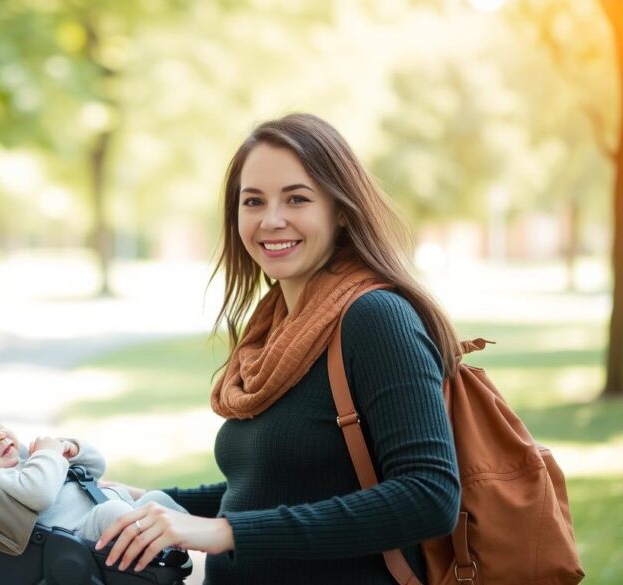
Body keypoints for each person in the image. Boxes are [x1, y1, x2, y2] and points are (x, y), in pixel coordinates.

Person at [95, 113, 462, 584]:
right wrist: (145, 501)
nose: (271, 220)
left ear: (341, 210)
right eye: (253, 201)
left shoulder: (375, 318)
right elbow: (273, 489)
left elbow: (429, 495)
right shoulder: (276, 326)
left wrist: (226, 533)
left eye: (297, 199)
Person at [0, 400, 188, 542]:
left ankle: (199, 540)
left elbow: (96, 468)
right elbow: (38, 493)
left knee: (157, 500)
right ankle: (165, 549)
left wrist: (71, 448)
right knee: (114, 512)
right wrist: (49, 455)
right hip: (85, 532)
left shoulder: (29, 461)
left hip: (114, 506)